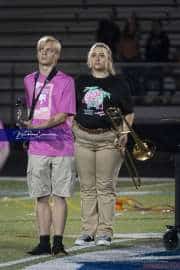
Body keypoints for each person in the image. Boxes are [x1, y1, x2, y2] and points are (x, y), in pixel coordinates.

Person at [73, 42, 134, 246]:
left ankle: (104, 232)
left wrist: (125, 132)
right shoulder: (80, 81)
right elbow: (70, 109)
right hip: (82, 138)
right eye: (95, 55)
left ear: (108, 60)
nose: (98, 58)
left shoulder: (119, 83)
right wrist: (72, 128)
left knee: (106, 187)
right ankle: (87, 231)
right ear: (90, 60)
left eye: (102, 55)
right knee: (87, 187)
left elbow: (129, 113)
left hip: (109, 138)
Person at [22, 36, 76, 256]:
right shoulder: (28, 80)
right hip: (37, 146)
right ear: (37, 53)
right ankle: (44, 243)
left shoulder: (66, 81)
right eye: (41, 49)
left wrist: (39, 126)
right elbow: (32, 110)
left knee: (60, 196)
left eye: (50, 50)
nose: (44, 53)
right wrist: (28, 129)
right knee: (41, 196)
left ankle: (58, 243)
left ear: (57, 55)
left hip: (61, 144)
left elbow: (63, 115)